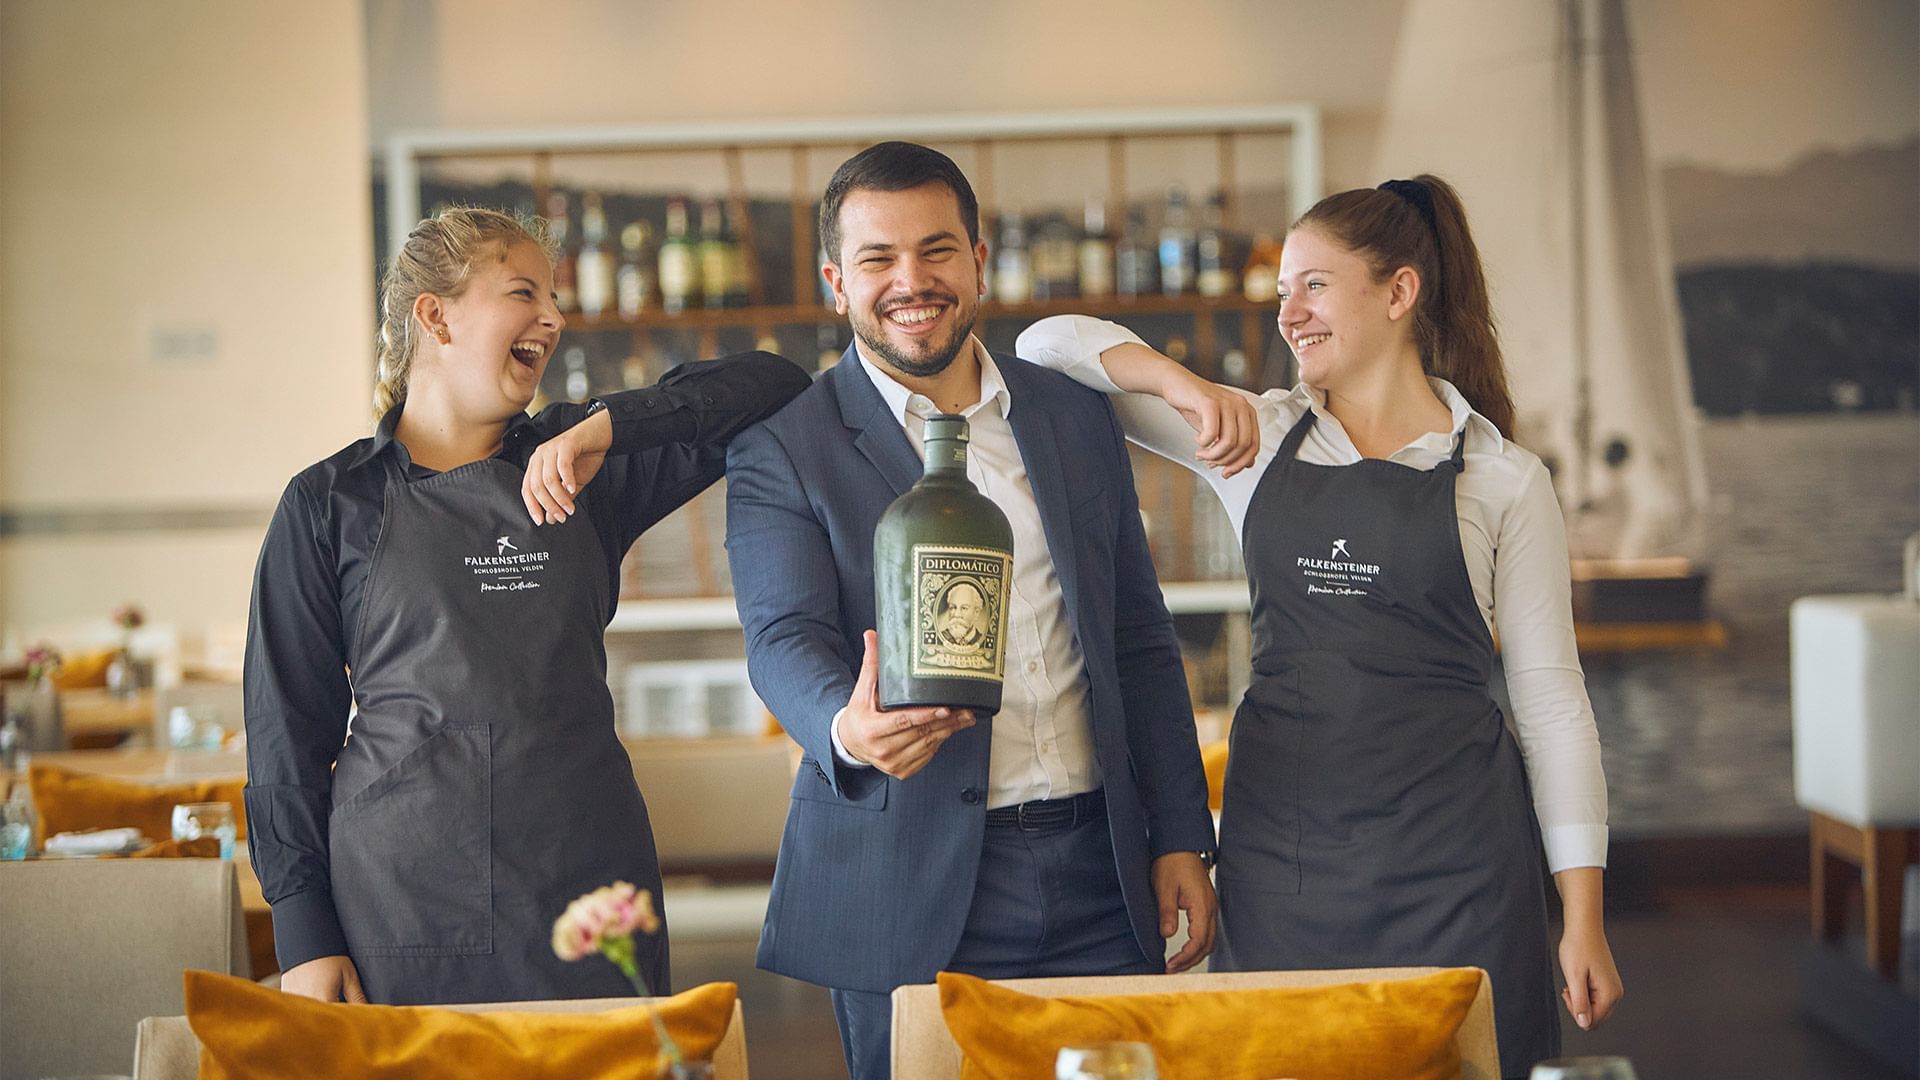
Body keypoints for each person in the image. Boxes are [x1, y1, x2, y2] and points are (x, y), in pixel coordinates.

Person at [1017, 175, 1623, 1075]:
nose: (1288, 314)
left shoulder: (1503, 477)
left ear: (1399, 291)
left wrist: (1583, 917)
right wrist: (1182, 385)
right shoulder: (1251, 439)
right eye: (1281, 292)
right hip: (1284, 865)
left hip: (1460, 872)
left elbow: (1551, 702)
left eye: (1313, 285)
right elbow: (1041, 346)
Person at [725, 142, 1218, 1080]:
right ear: (837, 282)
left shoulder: (1070, 416)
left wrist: (1183, 831)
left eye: (937, 251)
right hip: (905, 880)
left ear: (979, 263)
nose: (912, 281)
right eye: (878, 260)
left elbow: (1139, 640)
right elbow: (783, 635)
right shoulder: (787, 449)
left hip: (1102, 875)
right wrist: (844, 722)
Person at [243, 206, 808, 1006]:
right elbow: (285, 733)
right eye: (523, 292)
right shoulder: (329, 503)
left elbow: (775, 385)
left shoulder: (586, 464)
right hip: (400, 900)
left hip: (585, 889)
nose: (555, 317)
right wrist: (302, 930)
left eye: (554, 297)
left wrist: (607, 427)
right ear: (435, 316)